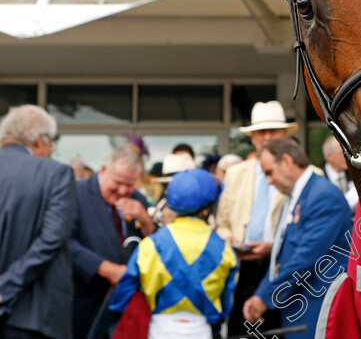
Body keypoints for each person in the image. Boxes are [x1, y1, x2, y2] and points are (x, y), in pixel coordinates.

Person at [242, 137, 353, 339]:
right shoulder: (297, 196)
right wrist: (261, 293)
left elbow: (304, 257)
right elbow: (282, 256)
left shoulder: (322, 195)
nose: (269, 181)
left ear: (286, 161)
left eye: (269, 172)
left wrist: (265, 297)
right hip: (301, 309)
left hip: (319, 310)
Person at [109, 168, 237, 338]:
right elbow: (226, 300)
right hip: (201, 328)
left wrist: (116, 312)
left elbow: (126, 288)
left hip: (159, 327)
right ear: (206, 210)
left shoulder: (152, 244)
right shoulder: (223, 249)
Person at [215, 100, 297, 335]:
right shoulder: (235, 173)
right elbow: (221, 223)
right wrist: (228, 238)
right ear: (252, 137)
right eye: (262, 131)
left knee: (284, 330)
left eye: (274, 130)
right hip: (244, 268)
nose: (268, 136)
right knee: (241, 331)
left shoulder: (304, 174)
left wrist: (274, 248)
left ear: (286, 134)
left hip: (284, 269)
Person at [0, 105, 75, 339]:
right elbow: (52, 240)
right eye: (51, 144)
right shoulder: (56, 173)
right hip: (36, 317)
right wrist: (5, 288)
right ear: (40, 139)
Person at [70, 144, 154, 339]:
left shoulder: (137, 199)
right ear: (103, 170)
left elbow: (152, 245)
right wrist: (106, 268)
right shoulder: (76, 193)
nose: (123, 191)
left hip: (125, 305)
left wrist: (146, 220)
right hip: (84, 300)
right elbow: (65, 242)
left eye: (130, 184)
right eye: (118, 183)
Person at [321, 136, 358, 212]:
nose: (346, 157)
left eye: (347, 153)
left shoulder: (354, 174)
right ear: (329, 156)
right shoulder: (320, 176)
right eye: (341, 154)